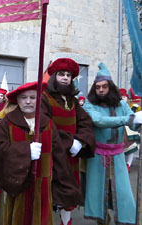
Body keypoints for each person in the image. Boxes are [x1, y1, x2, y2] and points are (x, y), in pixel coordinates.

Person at [0, 82, 82, 225]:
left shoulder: (47, 123)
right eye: (23, 97)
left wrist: (66, 186)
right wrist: (24, 151)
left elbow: (59, 156)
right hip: (18, 185)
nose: (28, 101)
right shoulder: (8, 122)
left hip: (43, 185)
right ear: (17, 100)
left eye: (33, 97)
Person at [83, 63, 142, 225]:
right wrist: (129, 119)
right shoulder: (89, 105)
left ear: (111, 87)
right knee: (98, 192)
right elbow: (100, 121)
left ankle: (123, 220)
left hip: (118, 156)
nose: (101, 90)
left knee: (122, 192)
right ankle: (102, 220)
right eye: (97, 87)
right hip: (98, 157)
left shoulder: (122, 104)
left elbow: (131, 120)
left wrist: (138, 122)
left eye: (104, 86)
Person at [40, 58, 95, 225]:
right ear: (54, 76)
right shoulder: (45, 98)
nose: (65, 78)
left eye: (68, 75)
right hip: (51, 154)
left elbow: (85, 122)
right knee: (49, 192)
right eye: (61, 74)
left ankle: (66, 222)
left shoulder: (73, 101)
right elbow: (45, 124)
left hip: (71, 156)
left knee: (69, 193)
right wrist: (69, 142)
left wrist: (81, 141)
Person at [120, 88, 140, 173]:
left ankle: (128, 164)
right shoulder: (117, 107)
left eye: (124, 97)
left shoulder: (132, 107)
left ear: (127, 98)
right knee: (121, 148)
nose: (123, 98)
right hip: (121, 131)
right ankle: (123, 164)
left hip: (131, 131)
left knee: (131, 147)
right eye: (121, 97)